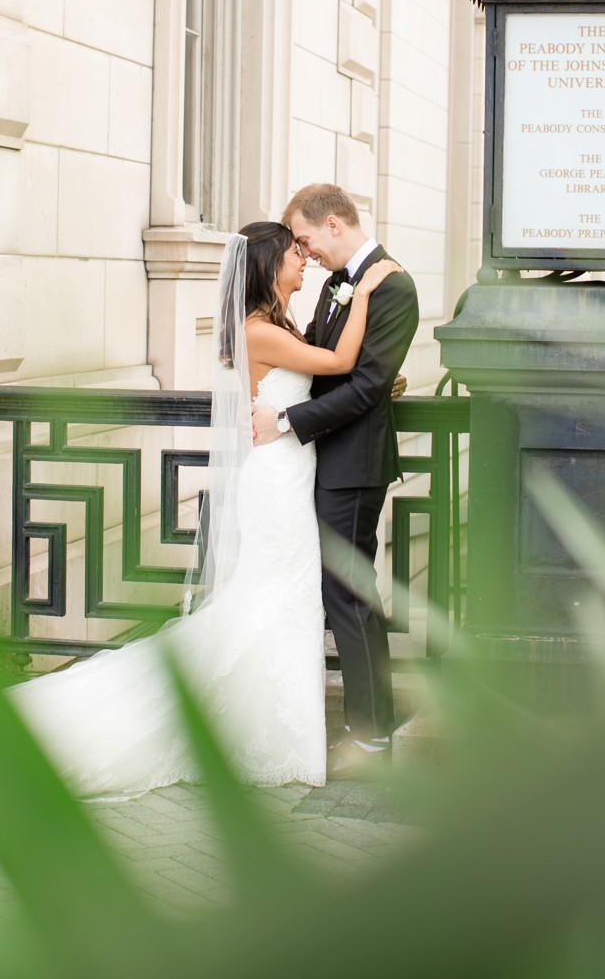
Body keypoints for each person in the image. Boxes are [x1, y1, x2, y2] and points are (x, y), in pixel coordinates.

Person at [0, 222, 399, 823]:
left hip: (286, 473)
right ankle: (260, 735)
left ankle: (268, 729)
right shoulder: (257, 330)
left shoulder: (275, 324)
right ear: (266, 264)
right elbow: (340, 361)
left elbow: (319, 379)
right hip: (277, 483)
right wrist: (362, 293)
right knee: (272, 598)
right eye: (294, 253)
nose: (303, 261)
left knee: (282, 599)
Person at [251, 185, 419, 776]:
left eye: (304, 240)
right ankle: (369, 723)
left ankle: (371, 733)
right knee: (344, 594)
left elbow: (368, 385)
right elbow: (325, 366)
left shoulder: (392, 284)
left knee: (348, 596)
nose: (305, 252)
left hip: (353, 467)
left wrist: (289, 420)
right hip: (320, 462)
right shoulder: (335, 284)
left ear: (331, 224)